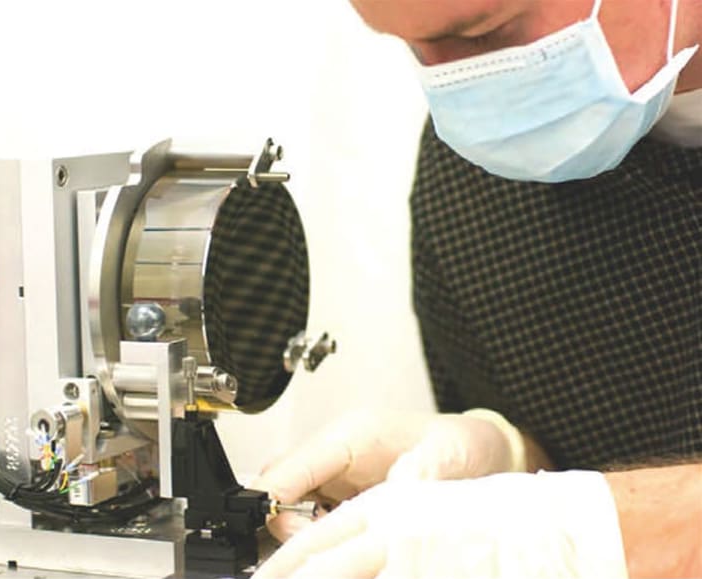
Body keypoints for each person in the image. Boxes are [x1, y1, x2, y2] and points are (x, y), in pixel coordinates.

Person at [252, 0, 702, 577]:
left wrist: (597, 533)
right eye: (414, 47)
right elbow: (589, 453)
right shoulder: (480, 182)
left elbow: (581, 534)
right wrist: (511, 459)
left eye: (487, 32)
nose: (464, 81)